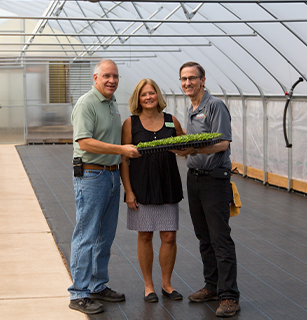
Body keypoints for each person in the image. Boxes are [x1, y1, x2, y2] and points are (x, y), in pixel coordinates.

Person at [69, 59, 141, 315]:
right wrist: (121, 149)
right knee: (86, 234)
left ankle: (98, 285)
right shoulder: (86, 104)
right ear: (95, 78)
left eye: (116, 76)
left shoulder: (112, 105)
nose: (112, 80)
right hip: (91, 175)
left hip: (111, 176)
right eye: (107, 76)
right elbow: (85, 142)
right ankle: (79, 292)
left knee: (106, 236)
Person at [173, 61, 241, 318]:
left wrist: (193, 150)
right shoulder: (191, 108)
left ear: (203, 80)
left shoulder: (215, 106)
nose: (187, 83)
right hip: (195, 178)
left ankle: (229, 296)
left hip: (214, 179)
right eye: (183, 79)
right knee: (204, 237)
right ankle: (211, 287)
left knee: (220, 238)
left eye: (192, 78)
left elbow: (222, 143)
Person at [120, 78, 184, 303]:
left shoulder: (171, 121)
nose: (148, 97)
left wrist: (184, 148)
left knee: (169, 236)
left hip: (167, 184)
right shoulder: (131, 123)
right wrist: (128, 191)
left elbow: (185, 147)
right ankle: (149, 286)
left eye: (152, 93)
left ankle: (167, 284)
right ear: (138, 98)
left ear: (158, 95)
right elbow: (124, 160)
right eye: (143, 94)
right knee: (145, 235)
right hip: (142, 185)